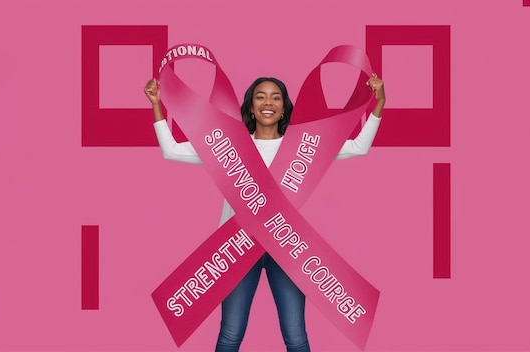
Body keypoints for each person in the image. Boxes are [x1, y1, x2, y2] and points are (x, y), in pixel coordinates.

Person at [144, 74, 385, 352]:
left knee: (295, 336)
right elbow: (171, 151)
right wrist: (156, 105)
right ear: (250, 106)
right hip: (236, 249)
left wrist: (379, 102)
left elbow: (358, 146)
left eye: (275, 97)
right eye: (260, 96)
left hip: (287, 250)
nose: (268, 102)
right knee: (230, 334)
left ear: (284, 107)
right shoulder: (228, 146)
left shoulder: (303, 146)